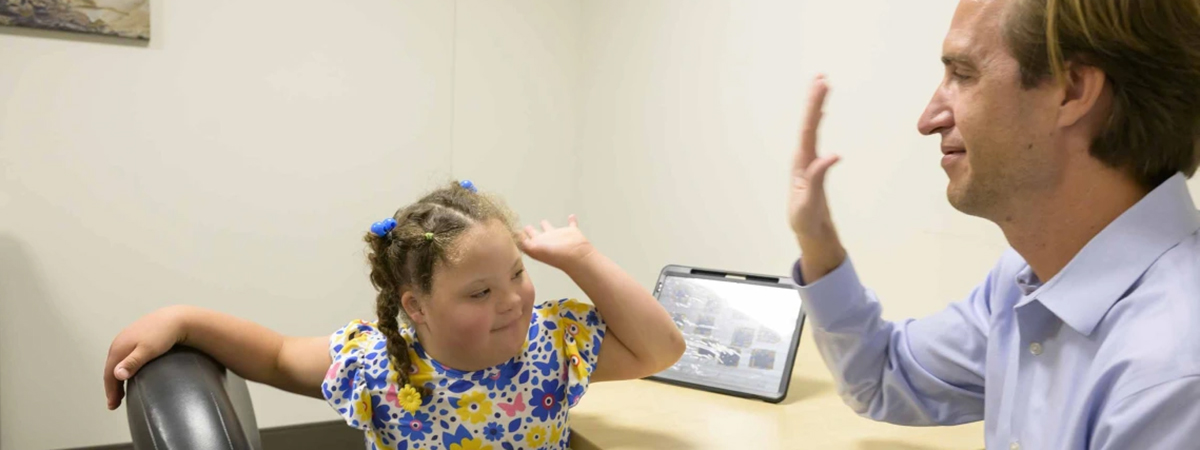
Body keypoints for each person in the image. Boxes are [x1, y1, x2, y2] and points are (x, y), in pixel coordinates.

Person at [787, 0, 1200, 448]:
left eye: (962, 74)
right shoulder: (1029, 278)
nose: (928, 120)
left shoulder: (1173, 372)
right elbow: (885, 376)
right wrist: (817, 240)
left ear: (1073, 90)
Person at [103, 181, 686, 450]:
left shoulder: (550, 346)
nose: (511, 301)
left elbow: (661, 350)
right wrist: (182, 318)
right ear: (416, 306)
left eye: (516, 273)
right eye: (479, 293)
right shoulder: (381, 362)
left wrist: (581, 258)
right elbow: (276, 355)